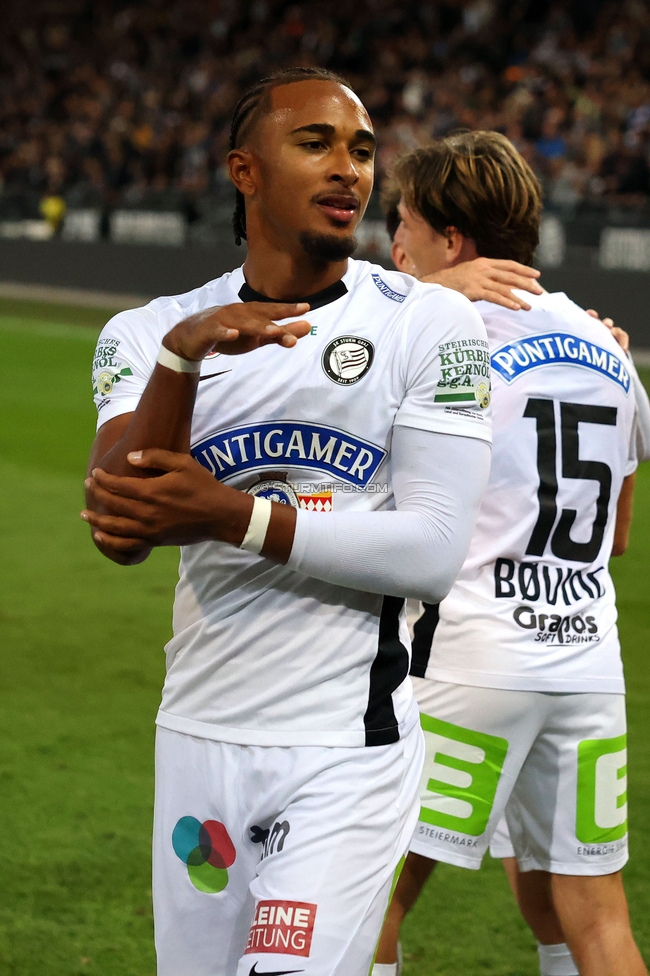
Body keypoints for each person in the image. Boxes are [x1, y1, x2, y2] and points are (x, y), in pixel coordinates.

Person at [80, 67, 501, 976]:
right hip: (199, 737)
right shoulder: (152, 328)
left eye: (360, 150)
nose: (348, 168)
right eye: (315, 143)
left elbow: (430, 553)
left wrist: (232, 514)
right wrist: (181, 364)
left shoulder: (428, 325)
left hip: (347, 748)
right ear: (244, 171)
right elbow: (117, 527)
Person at [372, 131, 647, 976]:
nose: (393, 248)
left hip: (466, 657)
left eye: (404, 224)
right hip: (586, 666)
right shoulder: (610, 349)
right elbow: (620, 537)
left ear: (451, 242)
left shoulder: (427, 338)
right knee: (595, 917)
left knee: (370, 889)